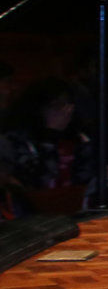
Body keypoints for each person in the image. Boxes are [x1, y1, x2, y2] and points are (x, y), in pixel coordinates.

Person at [1, 78, 93, 216]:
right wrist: (51, 136)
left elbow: (85, 182)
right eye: (56, 105)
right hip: (30, 216)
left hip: (75, 212)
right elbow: (35, 184)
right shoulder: (15, 141)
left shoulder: (81, 140)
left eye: (67, 104)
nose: (64, 111)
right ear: (39, 108)